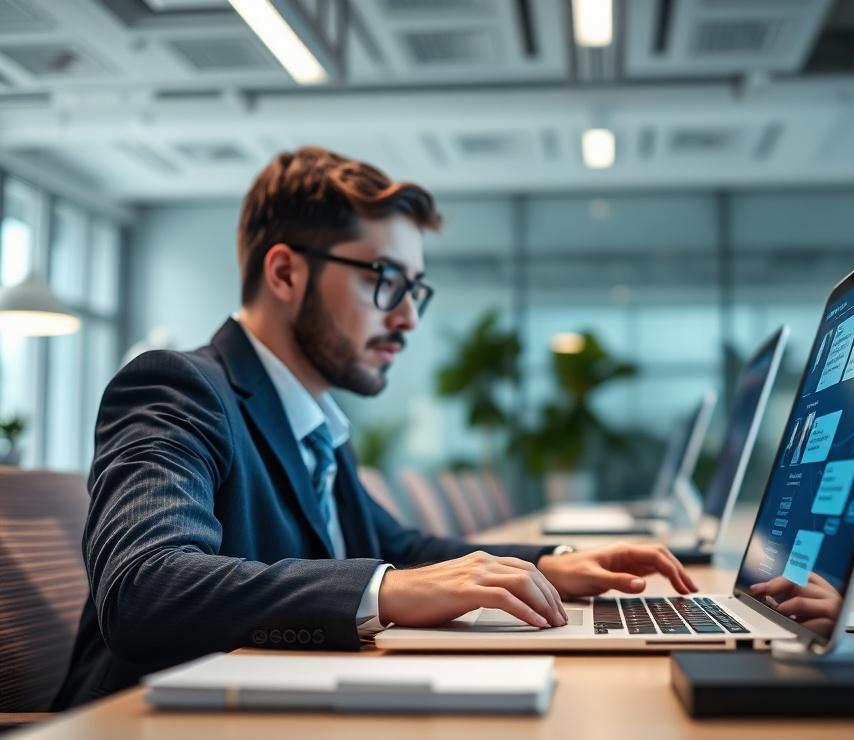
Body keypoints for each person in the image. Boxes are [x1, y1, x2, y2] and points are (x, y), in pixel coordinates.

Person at [53, 147, 697, 709]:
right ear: (285, 273)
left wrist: (550, 567)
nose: (410, 319)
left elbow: (403, 547)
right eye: (386, 281)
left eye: (416, 289)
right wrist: (384, 589)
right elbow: (144, 588)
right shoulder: (178, 387)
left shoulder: (317, 425)